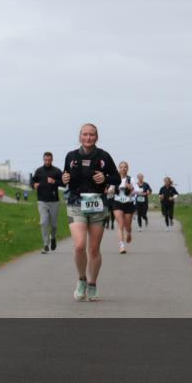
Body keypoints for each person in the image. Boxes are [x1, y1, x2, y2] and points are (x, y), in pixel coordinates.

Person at [61, 123, 120, 302]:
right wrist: (63, 178)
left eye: (92, 135)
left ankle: (92, 284)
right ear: (80, 137)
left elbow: (117, 177)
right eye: (85, 134)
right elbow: (65, 177)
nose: (88, 138)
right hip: (76, 204)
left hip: (97, 205)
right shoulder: (71, 156)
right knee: (79, 245)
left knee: (93, 249)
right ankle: (81, 279)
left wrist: (106, 178)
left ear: (96, 137)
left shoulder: (104, 156)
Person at [31, 151, 63, 252]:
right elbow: (32, 181)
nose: (47, 161)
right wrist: (33, 185)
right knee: (43, 222)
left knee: (53, 225)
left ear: (52, 160)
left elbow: (64, 183)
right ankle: (45, 244)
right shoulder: (39, 171)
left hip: (54, 201)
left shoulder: (57, 171)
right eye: (46, 160)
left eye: (49, 160)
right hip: (42, 201)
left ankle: (52, 238)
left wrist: (54, 182)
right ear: (43, 160)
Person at [112, 162, 136, 254]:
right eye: (121, 167)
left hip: (128, 204)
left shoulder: (131, 180)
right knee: (120, 224)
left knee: (127, 226)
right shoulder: (115, 179)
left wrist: (131, 189)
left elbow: (136, 191)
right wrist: (110, 190)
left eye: (125, 167)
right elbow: (110, 189)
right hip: (117, 202)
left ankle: (129, 233)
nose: (123, 169)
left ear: (127, 168)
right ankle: (121, 246)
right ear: (119, 168)